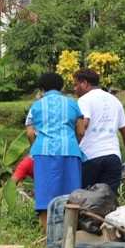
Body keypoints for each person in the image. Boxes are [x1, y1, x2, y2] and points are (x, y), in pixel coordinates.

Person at [25, 72, 83, 228]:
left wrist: (35, 145)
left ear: (42, 89)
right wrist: (74, 143)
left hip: (44, 152)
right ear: (62, 87)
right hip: (70, 151)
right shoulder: (72, 103)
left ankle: (47, 237)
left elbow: (30, 132)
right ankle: (70, 235)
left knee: (45, 196)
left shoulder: (36, 105)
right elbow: (81, 130)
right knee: (72, 197)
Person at [73, 68, 125, 193]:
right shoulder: (115, 101)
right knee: (106, 202)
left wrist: (73, 149)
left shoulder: (84, 100)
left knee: (84, 201)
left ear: (84, 83)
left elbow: (83, 125)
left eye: (75, 84)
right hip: (113, 158)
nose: (74, 89)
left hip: (90, 157)